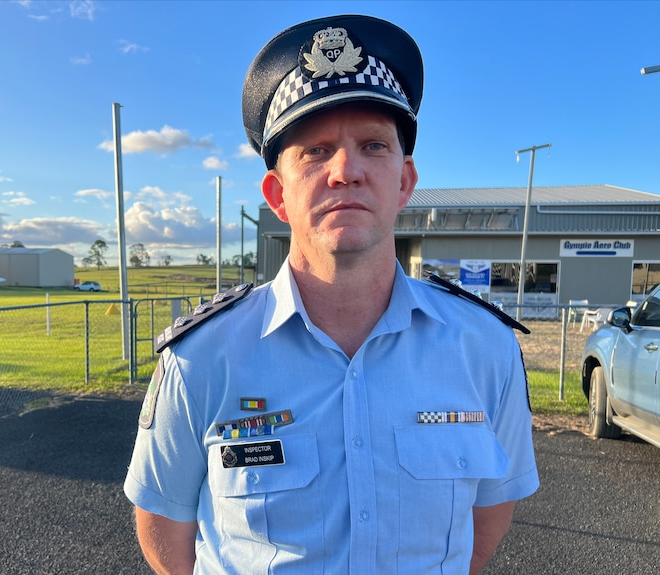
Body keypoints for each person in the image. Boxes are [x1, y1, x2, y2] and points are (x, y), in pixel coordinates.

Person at [124, 14, 539, 574]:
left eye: (373, 145)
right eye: (316, 151)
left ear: (404, 182)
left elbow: (488, 517)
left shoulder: (483, 347)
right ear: (278, 194)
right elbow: (165, 529)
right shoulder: (202, 357)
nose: (346, 170)